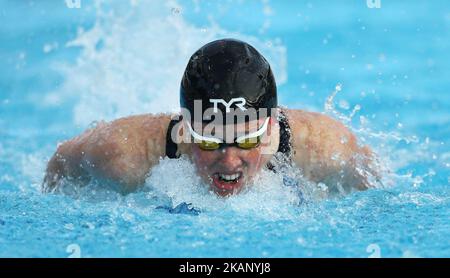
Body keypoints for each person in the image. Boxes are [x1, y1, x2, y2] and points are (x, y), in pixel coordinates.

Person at [43, 38, 377, 197]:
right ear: (186, 129)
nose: (229, 161)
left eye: (246, 140)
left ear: (271, 125)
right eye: (209, 140)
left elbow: (374, 187)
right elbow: (60, 162)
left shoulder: (325, 147)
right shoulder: (121, 153)